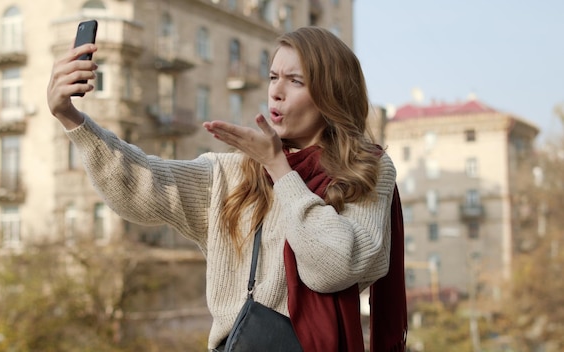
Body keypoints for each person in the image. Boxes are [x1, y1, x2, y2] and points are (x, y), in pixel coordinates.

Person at [47, 26, 407, 351]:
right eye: (273, 77)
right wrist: (71, 118)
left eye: (296, 81)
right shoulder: (232, 172)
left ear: (331, 94)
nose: (276, 93)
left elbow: (331, 268)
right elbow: (140, 184)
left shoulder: (367, 170)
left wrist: (279, 169)